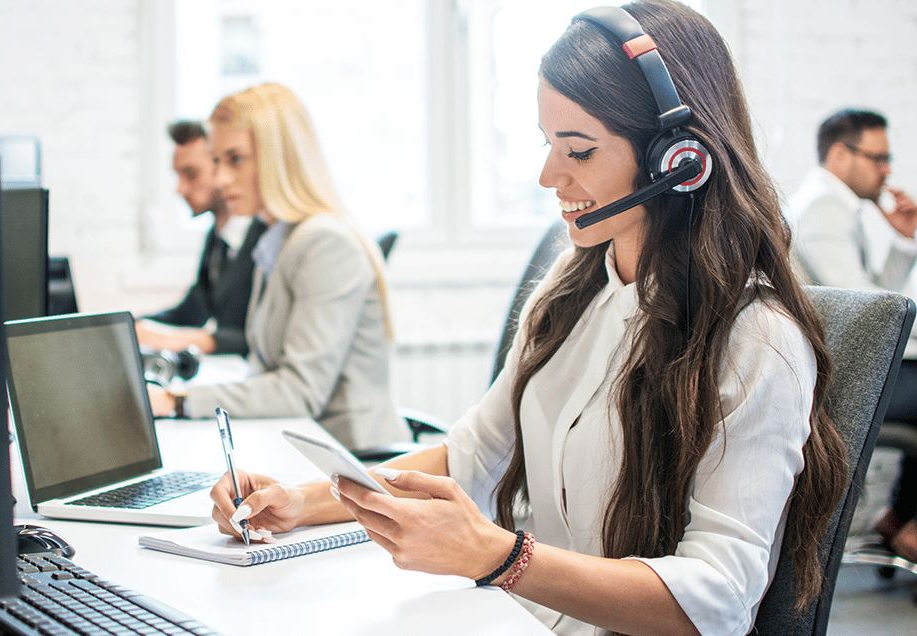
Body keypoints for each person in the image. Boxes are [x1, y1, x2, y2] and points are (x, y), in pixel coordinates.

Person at [206, 3, 849, 635]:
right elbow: (472, 455)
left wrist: (499, 557)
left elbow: (718, 601)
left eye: (579, 151)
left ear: (677, 162)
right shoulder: (569, 296)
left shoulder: (756, 340)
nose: (550, 176)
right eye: (549, 145)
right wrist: (301, 502)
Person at [149, 83, 407, 452]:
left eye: (235, 159)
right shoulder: (276, 239)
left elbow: (299, 392)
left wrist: (178, 400)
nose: (220, 179)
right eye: (218, 160)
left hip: (354, 462)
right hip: (305, 448)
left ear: (280, 158)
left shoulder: (324, 243)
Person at [788, 108, 917, 562]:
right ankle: (908, 525)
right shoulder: (823, 208)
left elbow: (874, 302)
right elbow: (868, 316)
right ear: (841, 154)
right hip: (836, 377)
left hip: (845, 362)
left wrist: (903, 240)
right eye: (878, 158)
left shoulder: (833, 204)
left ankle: (898, 520)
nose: (886, 171)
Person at [135, 119, 267, 356]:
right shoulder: (217, 238)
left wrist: (193, 340)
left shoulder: (266, 239)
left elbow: (262, 339)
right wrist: (134, 326)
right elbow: (193, 312)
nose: (180, 189)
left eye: (191, 174)